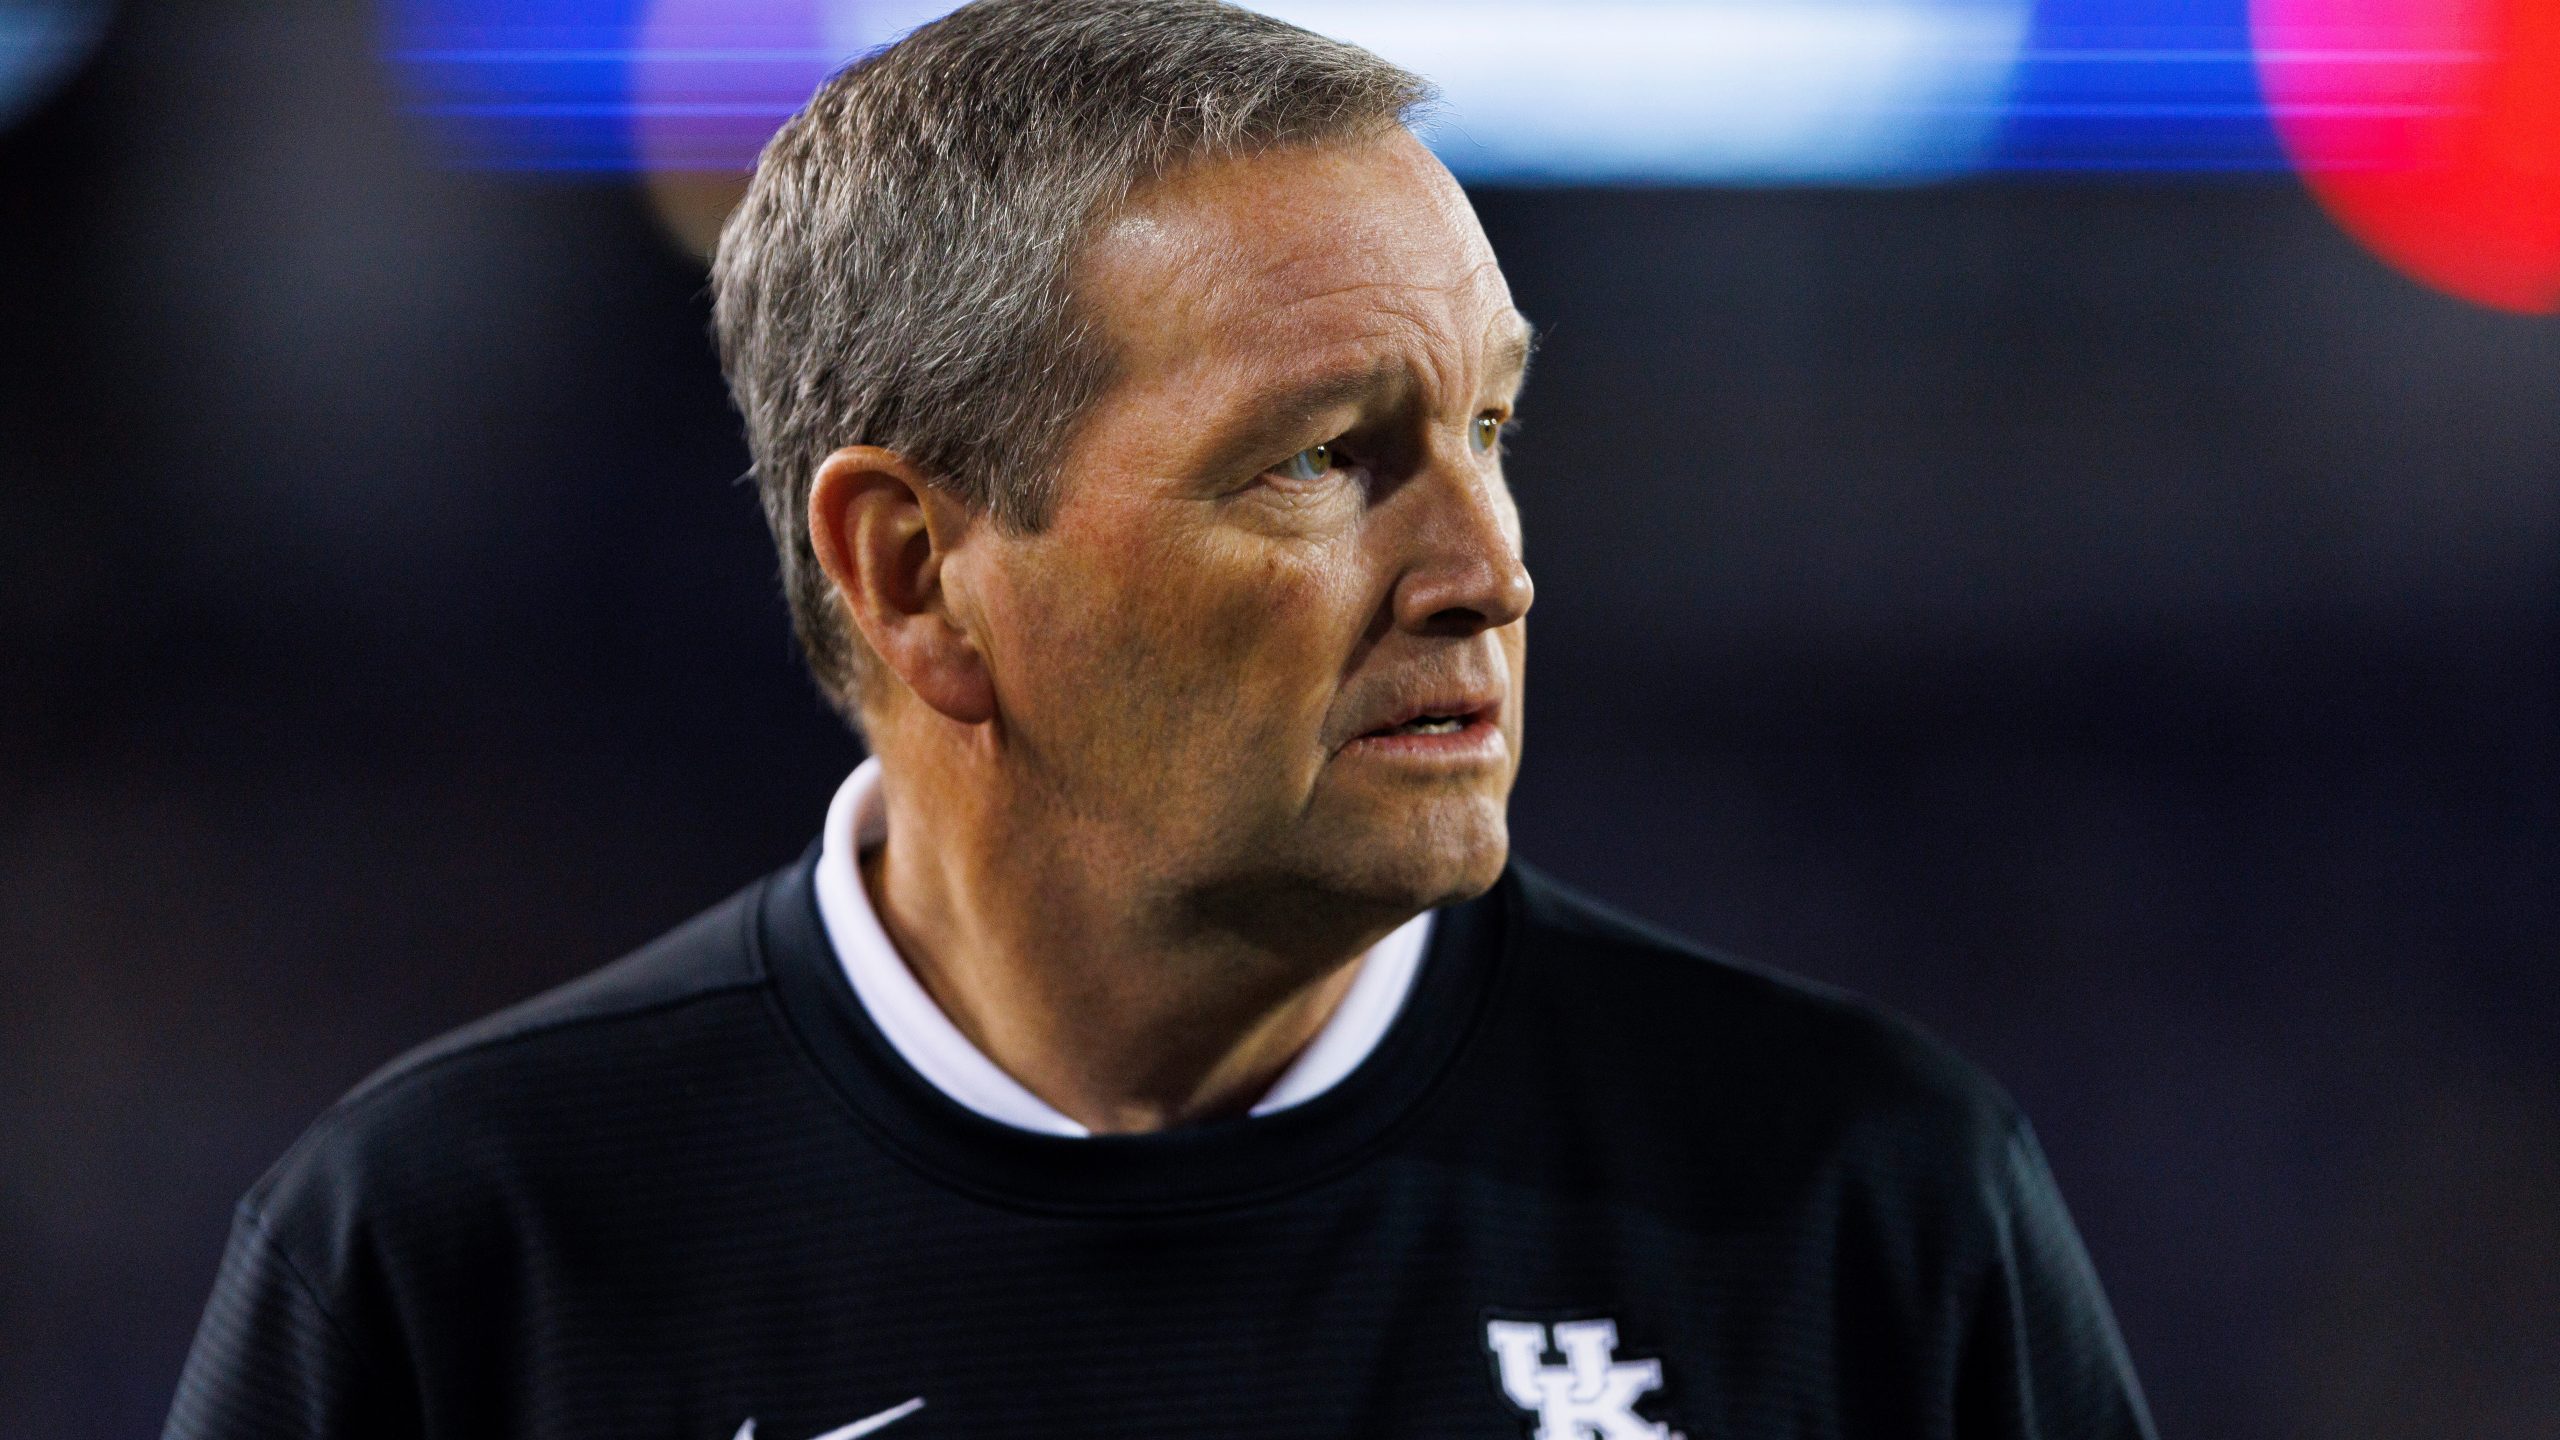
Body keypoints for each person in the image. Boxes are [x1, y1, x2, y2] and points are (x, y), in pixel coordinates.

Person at [165, 2, 2155, 1436]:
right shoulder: (455, 1262)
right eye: (1317, 459)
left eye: (1485, 430)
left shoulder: (1853, 1211)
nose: (1487, 566)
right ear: (915, 572)